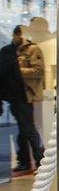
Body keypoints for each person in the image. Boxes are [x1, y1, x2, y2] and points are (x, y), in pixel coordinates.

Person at [0, 25, 44, 173]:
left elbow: (38, 71)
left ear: (20, 34)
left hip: (26, 95)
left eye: (15, 35)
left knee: (28, 129)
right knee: (22, 130)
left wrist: (17, 71)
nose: (13, 38)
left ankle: (39, 160)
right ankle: (25, 161)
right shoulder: (9, 50)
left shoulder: (32, 49)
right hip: (14, 96)